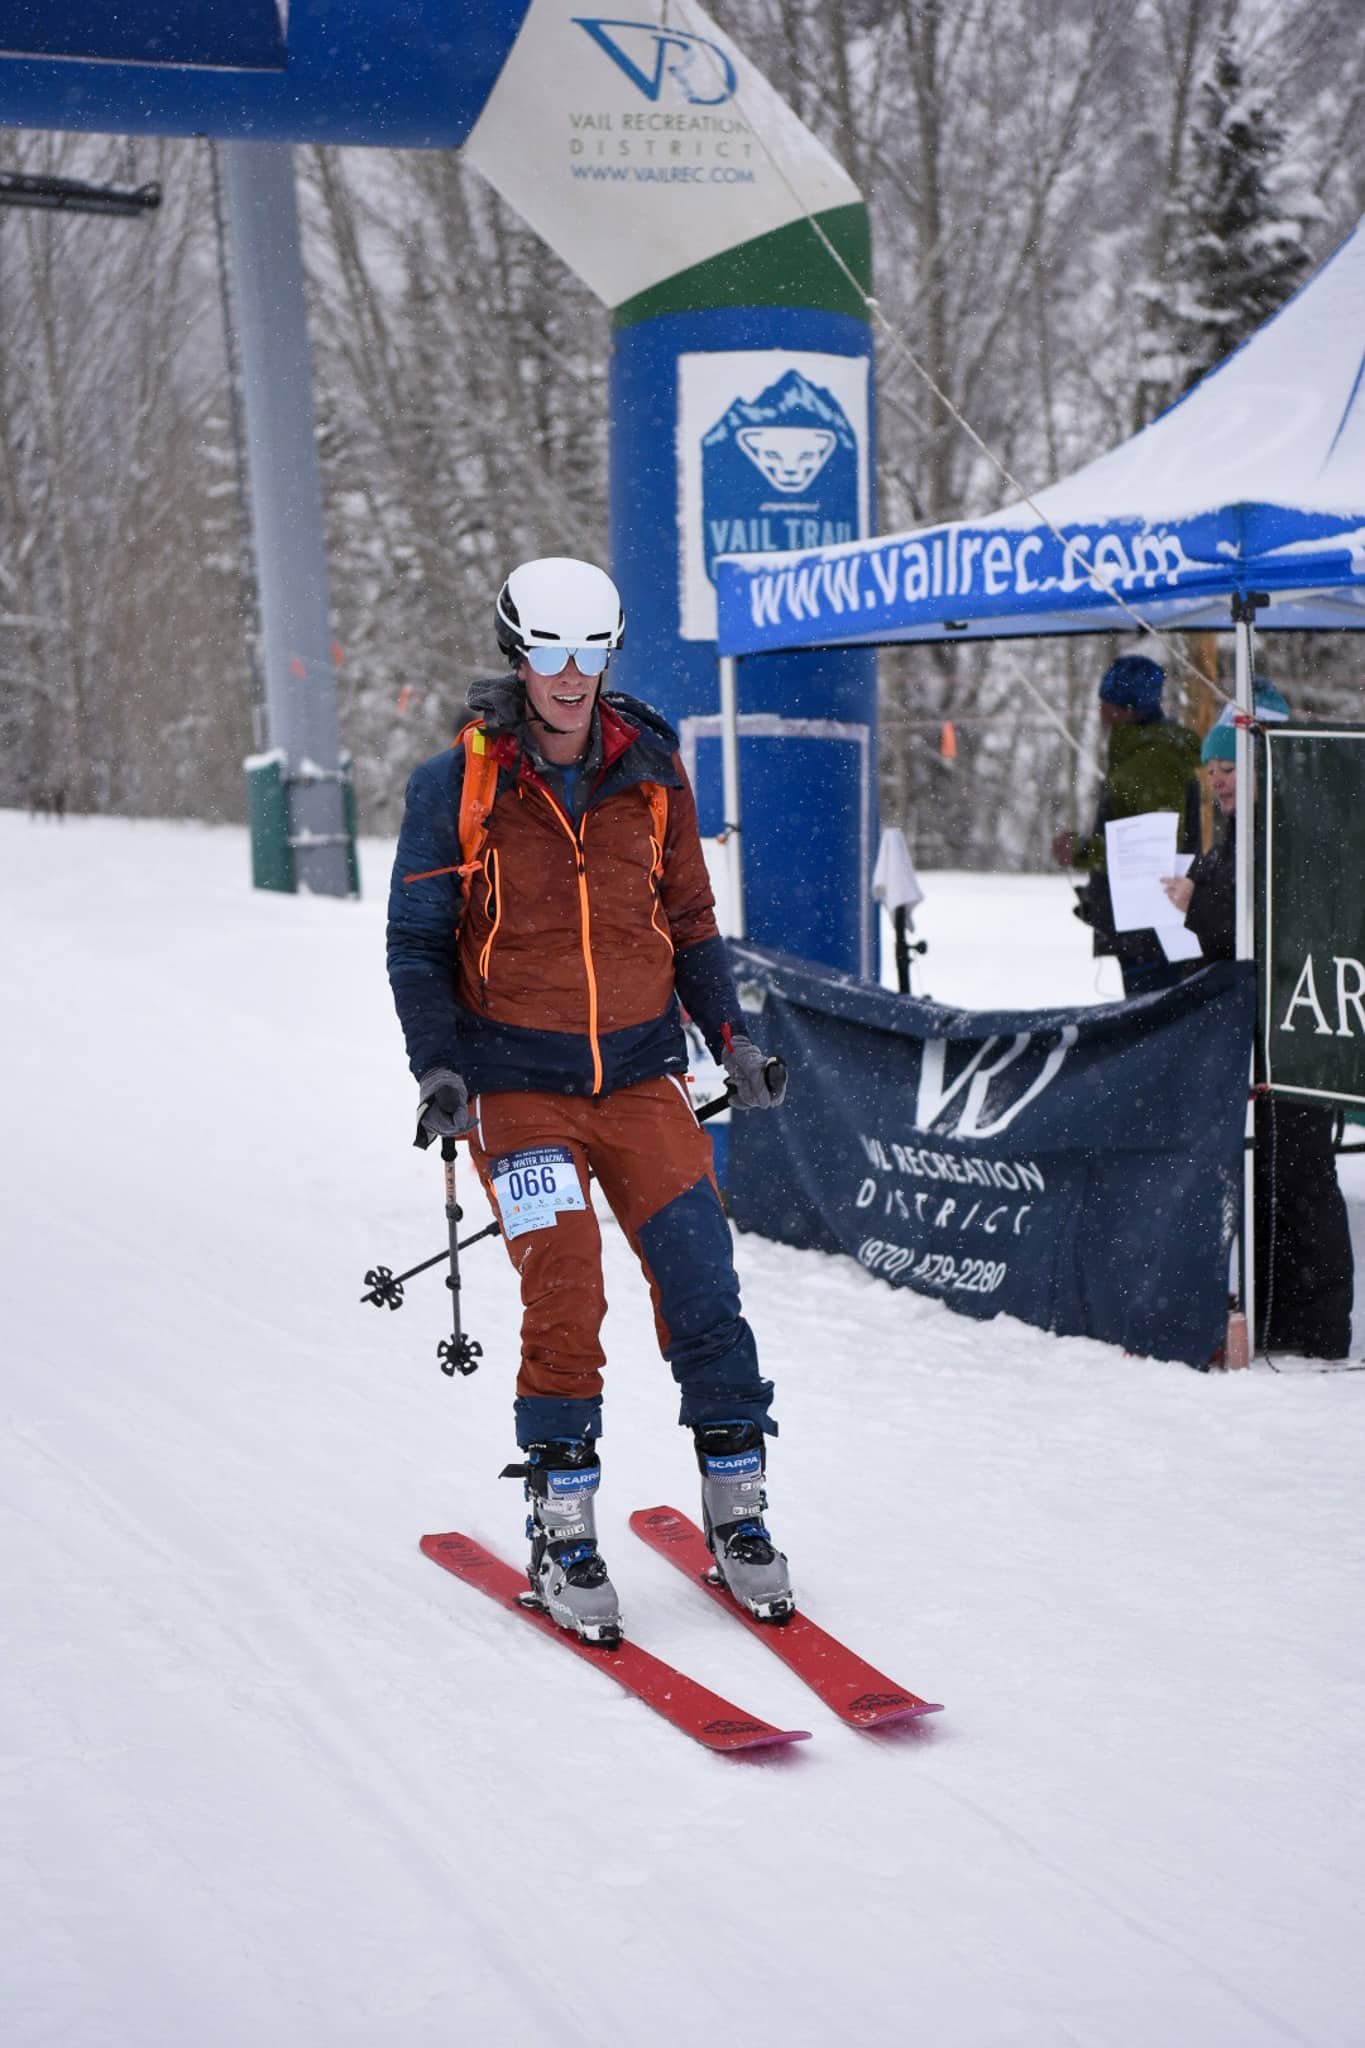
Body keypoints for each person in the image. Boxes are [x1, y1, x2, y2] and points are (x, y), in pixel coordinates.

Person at [386, 557, 793, 1646]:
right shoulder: (456, 786)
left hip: (641, 1079)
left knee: (703, 1272)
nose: (570, 676)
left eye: (589, 652)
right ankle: (561, 1520)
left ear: (610, 653)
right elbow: (418, 944)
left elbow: (694, 923)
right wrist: (438, 1065)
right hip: (515, 1090)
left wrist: (733, 1035)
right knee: (566, 1286)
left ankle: (738, 1503)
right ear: (518, 654)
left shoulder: (654, 772)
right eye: (549, 652)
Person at [1161, 699, 1353, 1360]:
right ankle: (1280, 1316)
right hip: (1259, 1030)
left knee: (1299, 1175)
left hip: (1293, 1030)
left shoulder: (1285, 827)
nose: (1217, 780)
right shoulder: (1238, 831)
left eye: (1228, 766)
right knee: (1275, 1176)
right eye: (1211, 768)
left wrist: (1196, 905)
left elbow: (1269, 924)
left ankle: (1314, 1325)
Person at [1052, 653, 1202, 995]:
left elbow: (1152, 850)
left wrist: (1082, 851)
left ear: (1128, 709)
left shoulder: (1152, 761)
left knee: (1152, 1030)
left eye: (1107, 702)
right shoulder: (1141, 754)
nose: (1101, 711)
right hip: (1145, 927)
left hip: (1150, 930)